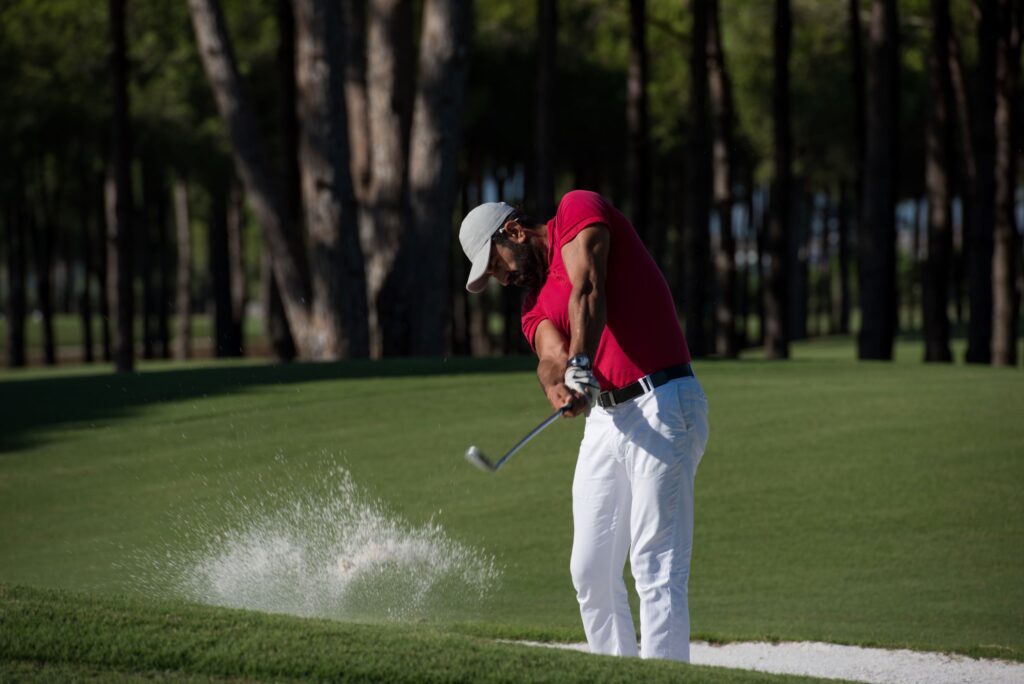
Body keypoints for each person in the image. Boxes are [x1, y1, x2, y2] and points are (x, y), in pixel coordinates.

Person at [458, 190, 710, 662]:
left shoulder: (577, 209)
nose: (503, 278)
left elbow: (588, 287)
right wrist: (561, 382)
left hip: (664, 399)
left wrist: (580, 360)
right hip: (607, 419)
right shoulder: (532, 302)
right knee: (589, 571)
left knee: (655, 564)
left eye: (497, 265)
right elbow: (548, 357)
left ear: (513, 231)